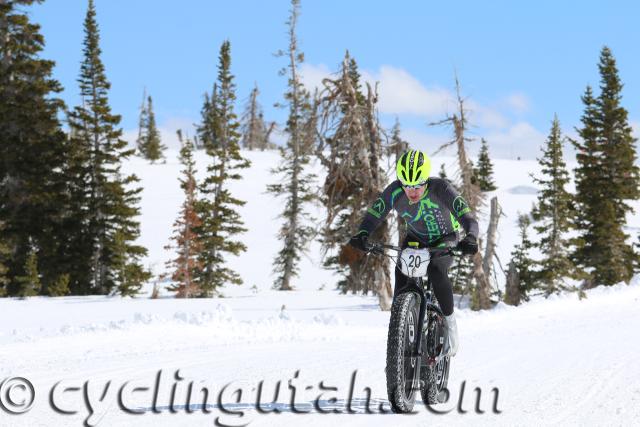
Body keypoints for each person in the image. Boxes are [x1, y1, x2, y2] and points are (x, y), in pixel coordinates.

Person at [348, 149, 479, 356]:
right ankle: (399, 335)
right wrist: (362, 233)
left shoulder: (441, 189)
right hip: (416, 238)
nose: (412, 191)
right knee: (402, 270)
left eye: (418, 185)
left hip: (445, 238)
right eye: (407, 185)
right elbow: (376, 213)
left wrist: (470, 237)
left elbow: (468, 218)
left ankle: (451, 326)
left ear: (426, 179)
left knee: (436, 270)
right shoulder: (395, 191)